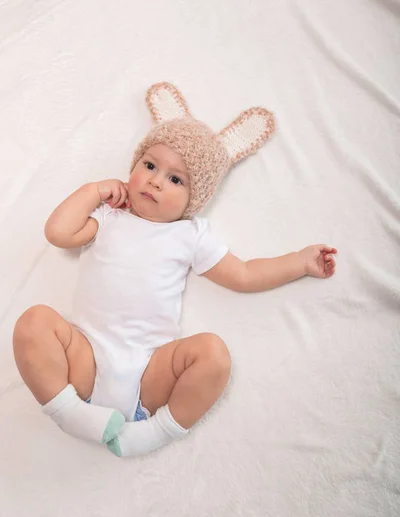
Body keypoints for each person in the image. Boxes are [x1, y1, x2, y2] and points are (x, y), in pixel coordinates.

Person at [12, 82, 337, 458]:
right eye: (149, 165)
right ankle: (68, 413)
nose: (155, 180)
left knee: (213, 354)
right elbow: (58, 233)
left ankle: (156, 432)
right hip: (85, 357)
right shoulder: (109, 217)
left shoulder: (190, 235)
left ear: (194, 197)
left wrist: (299, 261)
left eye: (175, 179)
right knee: (33, 322)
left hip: (149, 370)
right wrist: (94, 190)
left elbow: (245, 274)